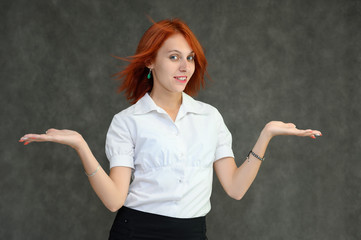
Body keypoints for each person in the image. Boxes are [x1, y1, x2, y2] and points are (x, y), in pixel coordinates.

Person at [19, 18, 322, 240]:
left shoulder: (210, 117)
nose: (185, 67)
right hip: (136, 232)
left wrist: (265, 135)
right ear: (150, 61)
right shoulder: (127, 121)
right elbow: (114, 200)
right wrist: (80, 145)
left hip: (193, 232)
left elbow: (236, 188)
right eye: (174, 57)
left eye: (189, 58)